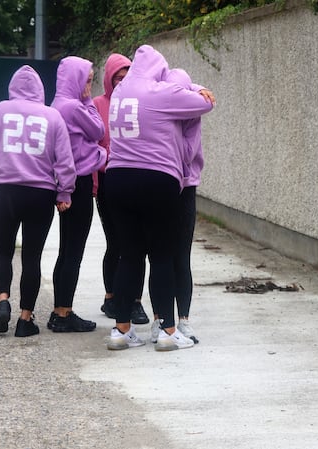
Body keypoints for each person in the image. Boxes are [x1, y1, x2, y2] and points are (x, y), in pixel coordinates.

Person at [105, 44, 214, 351]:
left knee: (129, 255)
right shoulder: (160, 94)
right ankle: (167, 330)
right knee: (162, 256)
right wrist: (197, 86)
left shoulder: (118, 95)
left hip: (117, 178)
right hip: (156, 179)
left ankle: (121, 329)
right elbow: (204, 104)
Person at [0, 65, 76, 337]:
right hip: (40, 193)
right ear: (39, 89)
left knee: (2, 252)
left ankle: (3, 300)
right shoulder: (53, 116)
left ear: (13, 87)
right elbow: (65, 161)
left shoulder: (2, 109)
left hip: (5, 190)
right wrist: (65, 192)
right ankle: (25, 319)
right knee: (32, 257)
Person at [149, 68, 215, 346]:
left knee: (180, 257)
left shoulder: (192, 117)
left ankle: (183, 320)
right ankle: (161, 320)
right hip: (164, 186)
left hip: (185, 187)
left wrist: (197, 91)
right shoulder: (160, 111)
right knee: (160, 257)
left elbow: (188, 153)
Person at [48, 55, 107, 333]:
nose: (89, 85)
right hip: (78, 184)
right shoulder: (74, 106)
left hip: (64, 185)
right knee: (74, 252)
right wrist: (101, 153)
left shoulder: (56, 104)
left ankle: (59, 310)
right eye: (87, 79)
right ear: (74, 79)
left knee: (65, 249)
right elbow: (98, 129)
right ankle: (63, 313)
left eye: (92, 80)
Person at [92, 53, 150, 325]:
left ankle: (135, 301)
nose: (122, 83)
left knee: (137, 244)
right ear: (108, 79)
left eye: (127, 78)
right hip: (107, 180)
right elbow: (93, 145)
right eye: (117, 78)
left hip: (134, 178)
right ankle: (111, 296)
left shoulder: (139, 102)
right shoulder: (97, 105)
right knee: (115, 241)